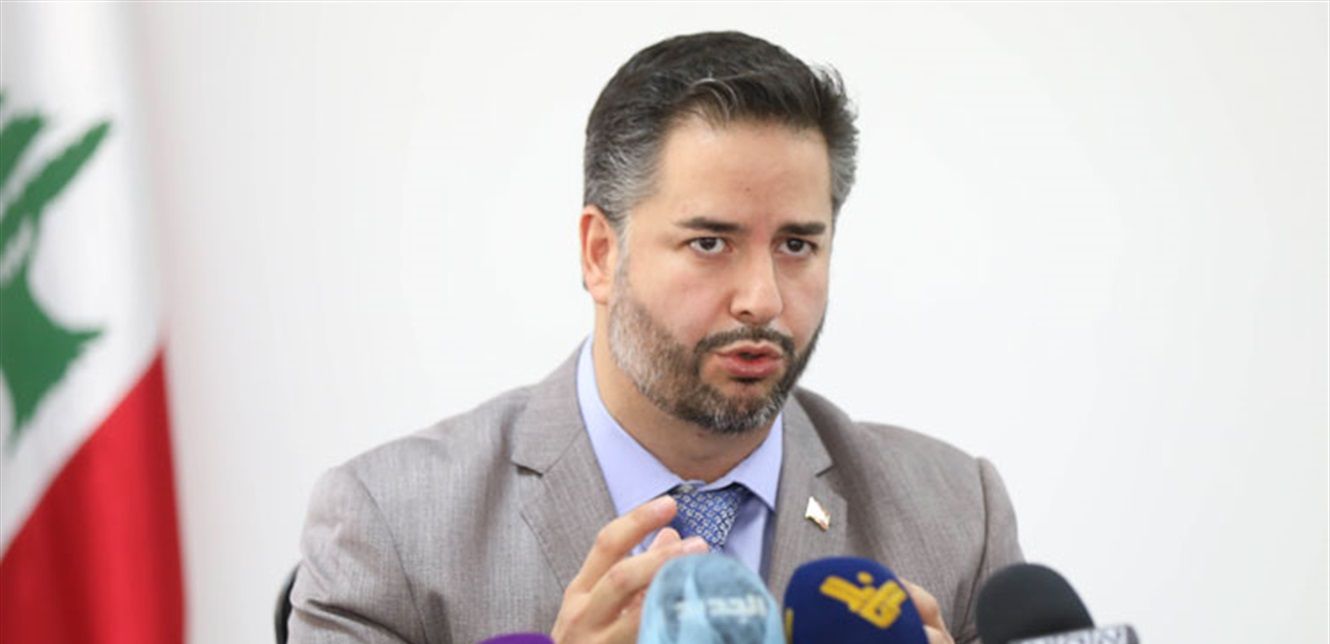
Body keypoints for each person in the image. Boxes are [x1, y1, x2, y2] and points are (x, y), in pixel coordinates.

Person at [290, 31, 1022, 644]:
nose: (762, 299)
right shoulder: (391, 528)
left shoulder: (958, 517)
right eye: (710, 243)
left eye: (797, 245)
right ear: (600, 254)